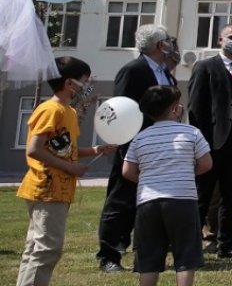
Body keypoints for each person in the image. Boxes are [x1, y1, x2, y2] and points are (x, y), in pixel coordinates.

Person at [17, 56, 113, 286]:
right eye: (85, 81)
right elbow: (34, 149)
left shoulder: (67, 112)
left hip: (58, 190)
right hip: (46, 187)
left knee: (36, 248)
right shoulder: (51, 110)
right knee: (47, 249)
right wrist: (71, 168)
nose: (88, 86)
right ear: (70, 83)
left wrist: (95, 150)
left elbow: (63, 148)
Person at [98, 24, 177, 273]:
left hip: (162, 146)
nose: (171, 44)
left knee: (152, 205)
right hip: (135, 146)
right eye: (168, 40)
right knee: (121, 202)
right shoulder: (133, 70)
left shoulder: (166, 72)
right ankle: (109, 255)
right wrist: (125, 145)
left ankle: (146, 255)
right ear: (159, 45)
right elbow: (121, 108)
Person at [123, 85, 214, 286]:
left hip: (148, 201)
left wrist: (150, 178)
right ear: (174, 109)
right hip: (182, 199)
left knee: (149, 257)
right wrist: (186, 174)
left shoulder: (140, 137)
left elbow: (127, 171)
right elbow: (206, 164)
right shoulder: (191, 133)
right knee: (185, 255)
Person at [188, 24, 232, 261]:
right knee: (203, 196)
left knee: (231, 196)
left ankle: (226, 244)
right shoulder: (205, 67)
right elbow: (196, 108)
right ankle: (191, 244)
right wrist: (199, 145)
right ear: (220, 40)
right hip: (211, 145)